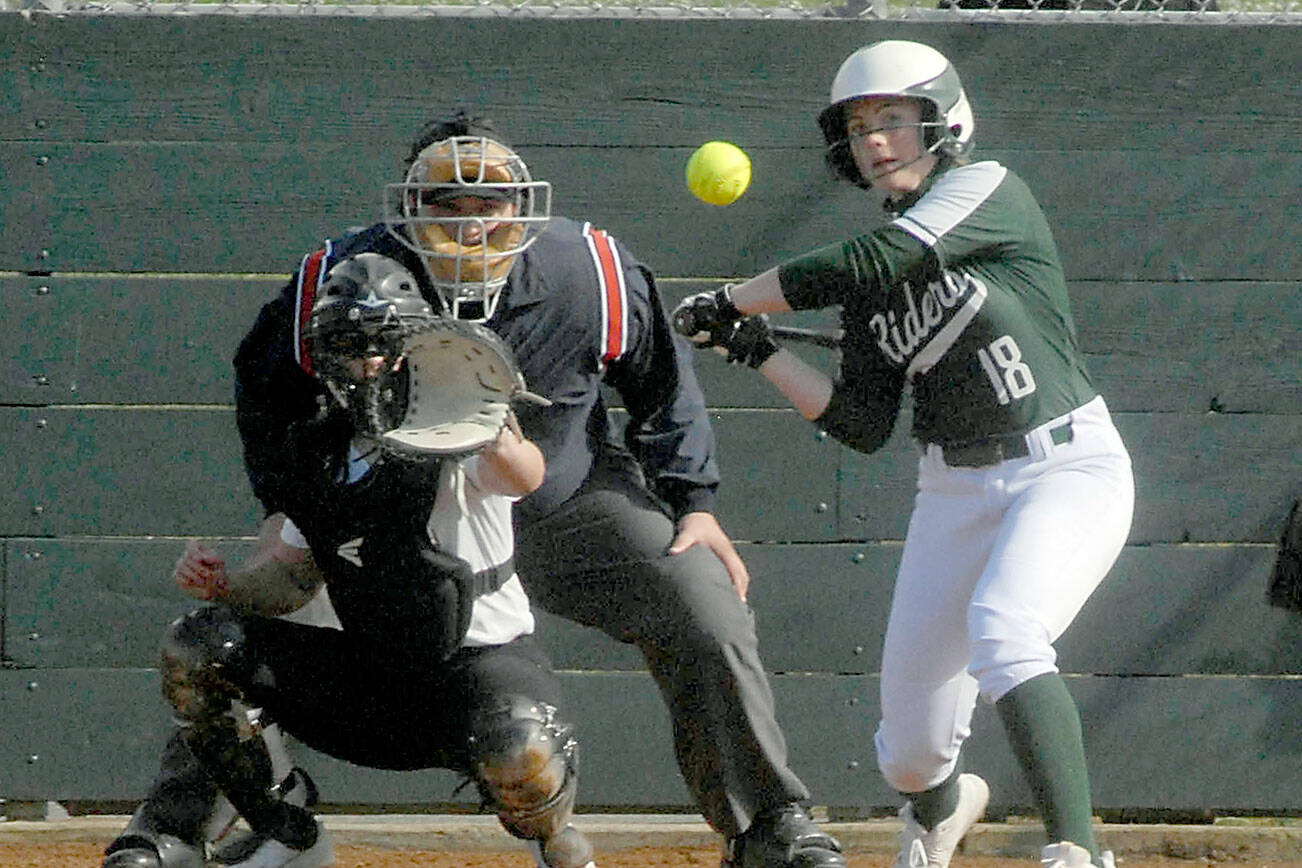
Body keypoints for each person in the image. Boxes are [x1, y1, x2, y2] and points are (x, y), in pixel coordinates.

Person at [228, 114, 847, 868]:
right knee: (224, 635)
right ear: (408, 211)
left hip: (563, 501)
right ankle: (196, 819)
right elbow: (265, 384)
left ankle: (767, 826)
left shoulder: (587, 266)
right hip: (399, 515)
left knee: (700, 599)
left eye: (488, 204)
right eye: (444, 204)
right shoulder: (351, 273)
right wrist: (287, 506)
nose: (468, 222)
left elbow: (661, 383)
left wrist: (695, 503)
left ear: (522, 208)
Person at [671, 40, 1135, 868]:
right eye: (859, 128)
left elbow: (883, 257)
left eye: (893, 119)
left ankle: (1077, 851)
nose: (875, 140)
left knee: (1008, 631)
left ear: (944, 121)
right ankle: (947, 806)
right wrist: (755, 350)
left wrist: (731, 296)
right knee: (910, 756)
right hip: (953, 489)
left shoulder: (987, 188)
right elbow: (859, 421)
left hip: (1064, 467)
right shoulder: (872, 279)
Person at [106, 252, 598, 868]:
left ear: (411, 346)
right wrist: (225, 587)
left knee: (521, 746)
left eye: (381, 343)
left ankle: (556, 842)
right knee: (201, 647)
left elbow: (522, 477)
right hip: (369, 670)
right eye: (346, 344)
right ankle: (282, 829)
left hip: (477, 667)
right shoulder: (317, 446)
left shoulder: (454, 420)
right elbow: (289, 577)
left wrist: (495, 424)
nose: (365, 362)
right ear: (322, 354)